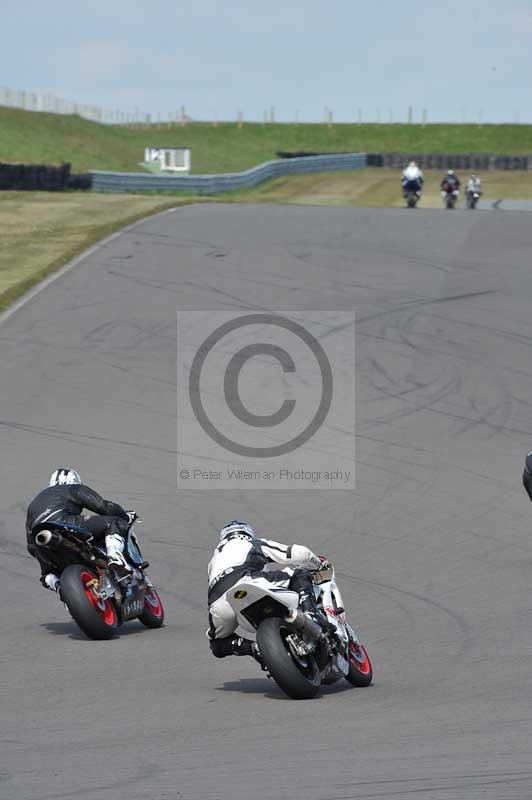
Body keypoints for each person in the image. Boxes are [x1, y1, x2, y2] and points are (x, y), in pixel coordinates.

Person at [207, 520, 332, 662]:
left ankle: (254, 648)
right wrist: (319, 565)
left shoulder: (213, 561)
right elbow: (300, 554)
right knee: (299, 574)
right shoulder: (251, 543)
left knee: (217, 644)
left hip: (219, 602)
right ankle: (312, 614)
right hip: (247, 580)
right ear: (247, 534)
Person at [26, 467, 132, 594]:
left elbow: (31, 547)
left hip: (41, 543)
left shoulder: (34, 503)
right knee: (113, 522)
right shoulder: (72, 488)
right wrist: (125, 517)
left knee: (48, 574)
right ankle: (115, 557)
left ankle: (59, 588)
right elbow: (103, 507)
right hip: (64, 523)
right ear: (75, 481)